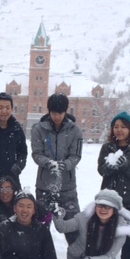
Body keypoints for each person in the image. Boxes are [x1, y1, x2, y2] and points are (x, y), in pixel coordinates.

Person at [53, 189, 130, 259]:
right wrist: (56, 215)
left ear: (114, 210)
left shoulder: (121, 229)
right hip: (78, 258)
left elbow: (109, 256)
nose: (102, 209)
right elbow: (63, 227)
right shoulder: (84, 218)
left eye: (108, 207)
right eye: (100, 205)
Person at [31, 93, 83, 242]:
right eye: (53, 113)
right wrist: (48, 163)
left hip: (67, 186)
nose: (57, 117)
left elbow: (76, 156)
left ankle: (77, 257)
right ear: (49, 111)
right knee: (40, 225)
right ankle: (39, 256)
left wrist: (65, 165)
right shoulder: (38, 129)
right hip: (44, 185)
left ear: (65, 112)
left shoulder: (75, 131)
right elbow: (36, 154)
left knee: (72, 225)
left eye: (60, 113)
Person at [97, 111, 130, 212]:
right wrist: (108, 168)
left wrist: (126, 165)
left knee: (128, 227)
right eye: (116, 127)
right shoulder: (107, 147)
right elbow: (101, 170)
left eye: (123, 127)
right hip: (108, 197)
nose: (119, 130)